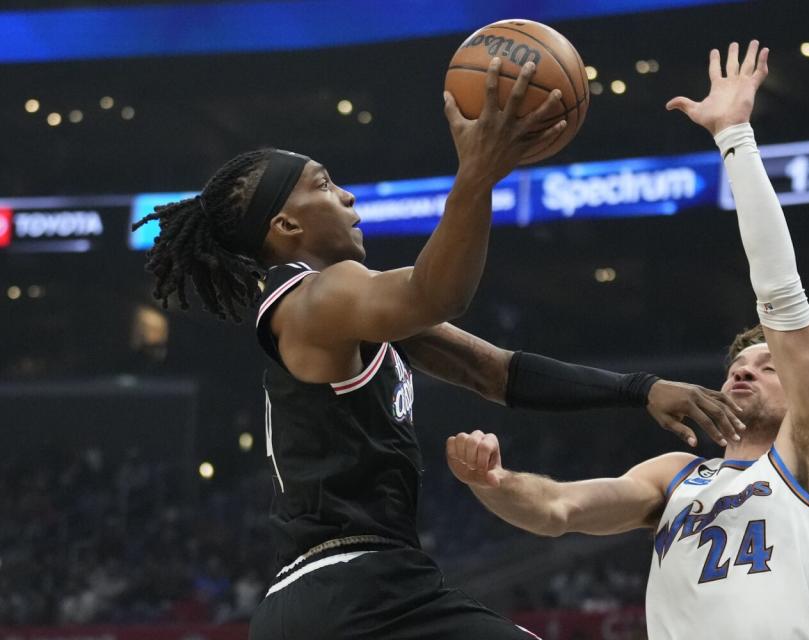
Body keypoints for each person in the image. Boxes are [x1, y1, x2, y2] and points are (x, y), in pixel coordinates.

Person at [134, 58, 742, 640]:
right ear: (287, 228)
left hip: (320, 599)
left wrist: (640, 390)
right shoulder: (321, 294)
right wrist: (477, 171)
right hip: (363, 591)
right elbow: (438, 292)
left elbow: (497, 373)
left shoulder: (343, 308)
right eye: (324, 184)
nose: (347, 197)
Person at [446, 41, 809, 639]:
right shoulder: (676, 475)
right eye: (739, 364)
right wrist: (493, 483)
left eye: (768, 366)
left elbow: (782, 295)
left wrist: (735, 138)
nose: (743, 371)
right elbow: (556, 509)